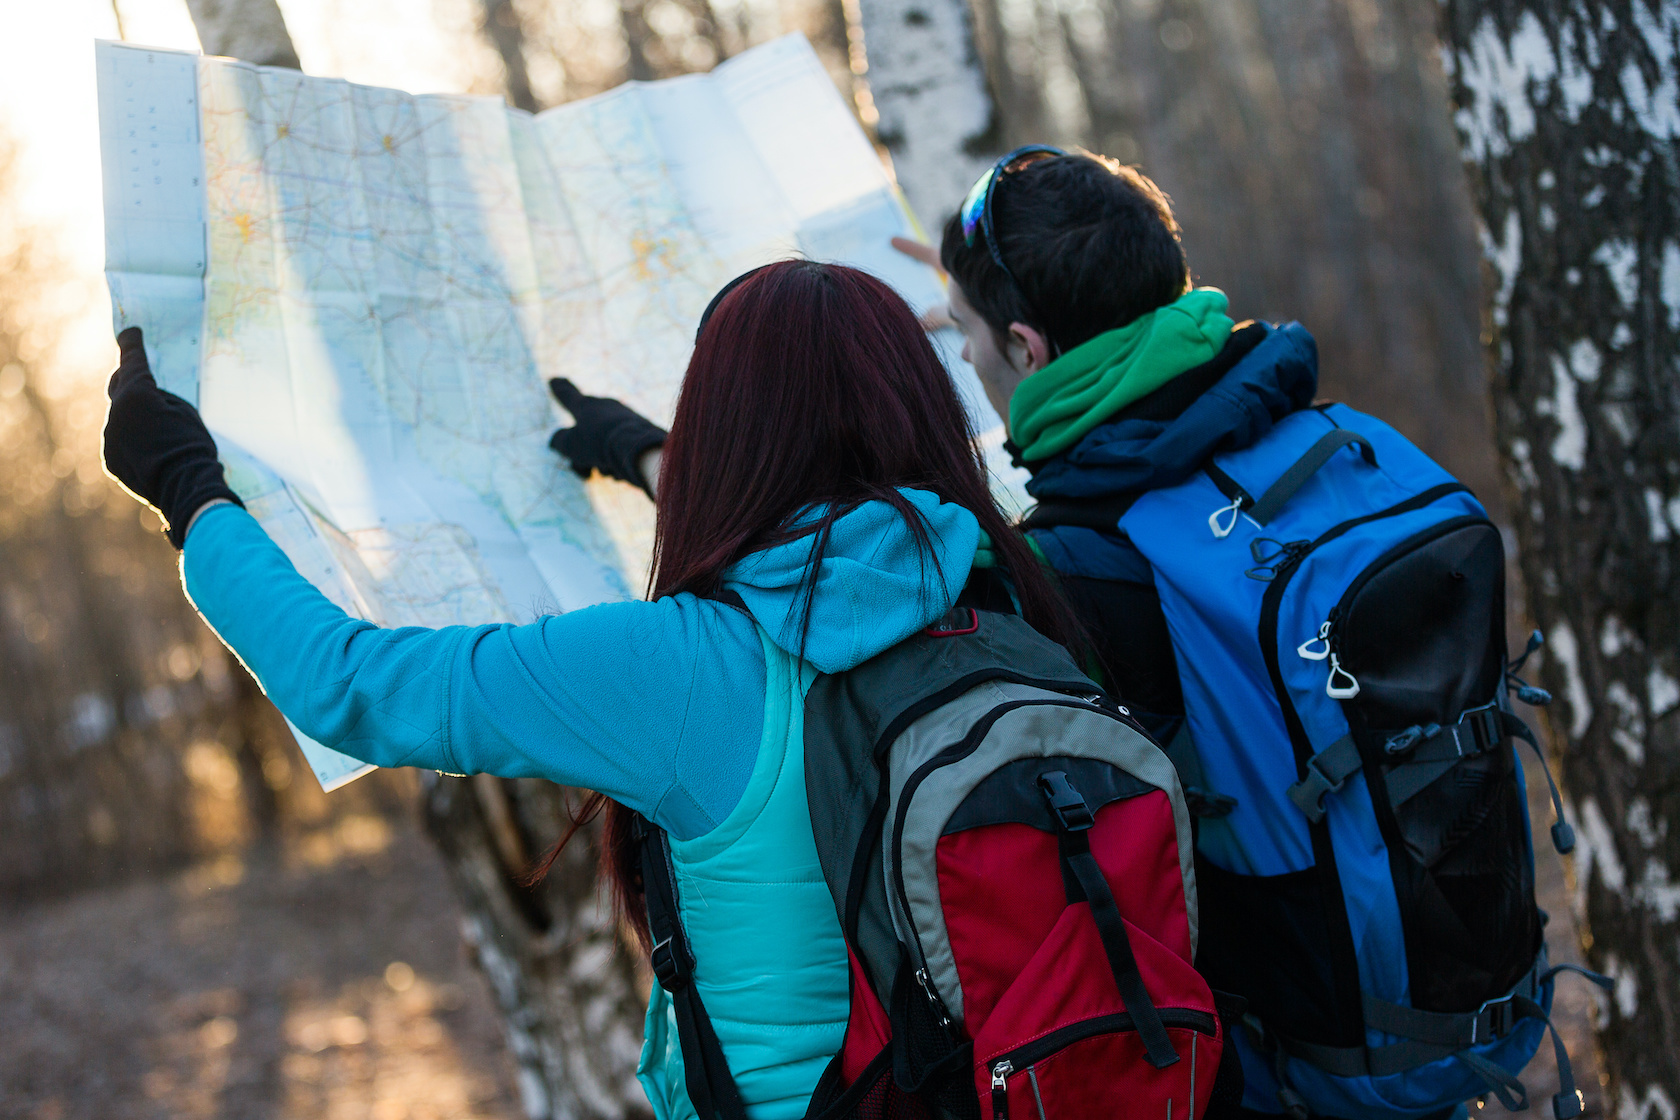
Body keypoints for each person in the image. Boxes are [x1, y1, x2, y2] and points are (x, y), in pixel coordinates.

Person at [100, 259, 1077, 1120]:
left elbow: (349, 684)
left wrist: (192, 492)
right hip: (1039, 1081)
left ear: (726, 430)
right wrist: (656, 461)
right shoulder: (1016, 585)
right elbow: (839, 564)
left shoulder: (673, 666)